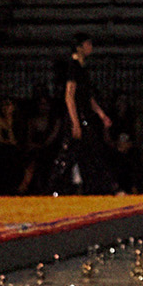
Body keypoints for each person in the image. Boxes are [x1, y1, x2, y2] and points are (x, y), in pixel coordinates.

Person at [52, 34, 117, 193]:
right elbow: (69, 96)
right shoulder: (73, 67)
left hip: (83, 116)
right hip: (77, 117)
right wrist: (75, 122)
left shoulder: (81, 68)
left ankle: (101, 186)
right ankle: (55, 187)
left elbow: (87, 96)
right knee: (69, 153)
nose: (90, 47)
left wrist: (101, 114)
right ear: (79, 47)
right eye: (87, 44)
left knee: (88, 152)